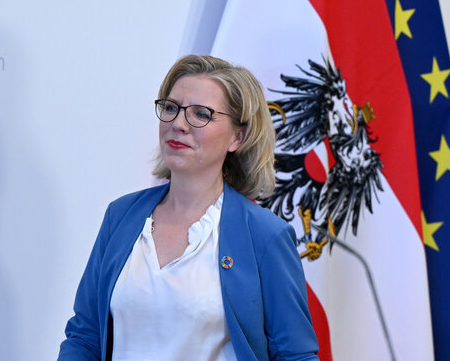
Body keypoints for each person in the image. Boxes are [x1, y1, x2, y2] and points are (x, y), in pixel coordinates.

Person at [58, 55, 319, 360]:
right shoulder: (121, 216)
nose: (178, 124)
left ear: (238, 137)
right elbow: (85, 336)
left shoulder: (265, 235)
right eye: (171, 108)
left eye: (201, 114)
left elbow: (296, 355)